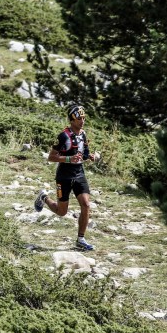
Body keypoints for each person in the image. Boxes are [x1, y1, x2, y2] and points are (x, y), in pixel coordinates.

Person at [34, 104, 101, 251]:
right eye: (79, 119)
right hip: (64, 176)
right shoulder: (63, 136)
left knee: (86, 204)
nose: (82, 121)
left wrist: (91, 156)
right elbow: (51, 157)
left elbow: (83, 155)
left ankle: (81, 239)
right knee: (62, 212)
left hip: (79, 173)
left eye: (83, 118)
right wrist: (69, 159)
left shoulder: (83, 134)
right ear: (71, 120)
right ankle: (44, 197)